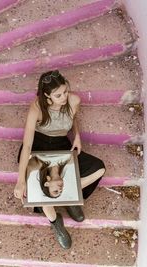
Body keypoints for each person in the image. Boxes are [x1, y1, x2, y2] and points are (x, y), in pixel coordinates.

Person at [14, 70, 106, 249]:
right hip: (38, 147)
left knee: (99, 168)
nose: (64, 97)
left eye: (65, 91)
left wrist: (77, 135)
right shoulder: (37, 107)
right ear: (47, 95)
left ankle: (68, 198)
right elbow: (27, 145)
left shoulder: (74, 100)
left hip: (61, 144)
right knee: (39, 188)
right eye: (58, 95)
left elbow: (73, 117)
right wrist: (20, 181)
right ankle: (56, 222)